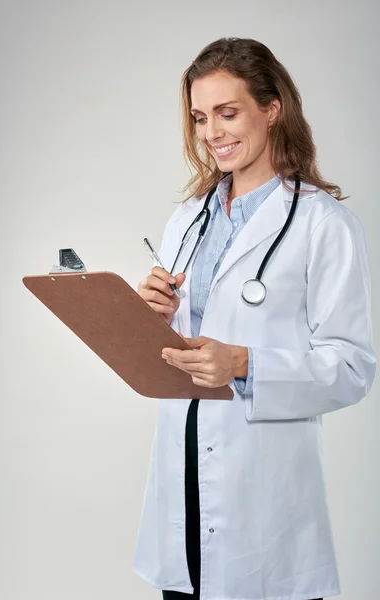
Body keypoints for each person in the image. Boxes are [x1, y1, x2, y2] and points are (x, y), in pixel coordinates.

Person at [133, 37, 376, 600]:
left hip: (264, 496)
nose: (211, 132)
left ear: (272, 109)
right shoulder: (187, 219)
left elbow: (352, 367)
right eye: (199, 117)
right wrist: (153, 316)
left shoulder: (324, 223)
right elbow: (174, 350)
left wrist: (244, 362)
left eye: (227, 112)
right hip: (184, 475)